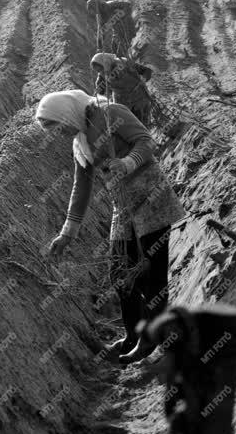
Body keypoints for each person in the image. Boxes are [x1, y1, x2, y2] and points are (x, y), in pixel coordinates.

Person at [36, 89, 185, 364]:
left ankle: (152, 336)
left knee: (151, 271)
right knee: (119, 271)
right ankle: (133, 333)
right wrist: (67, 232)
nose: (60, 134)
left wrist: (127, 163)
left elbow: (146, 141)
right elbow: (81, 187)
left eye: (59, 127)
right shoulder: (80, 141)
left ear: (66, 113)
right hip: (124, 205)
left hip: (150, 196)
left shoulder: (111, 113)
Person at [90, 52, 153, 126]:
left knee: (144, 124)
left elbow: (145, 71)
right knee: (132, 126)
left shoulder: (123, 63)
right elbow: (99, 93)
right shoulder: (102, 77)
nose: (101, 72)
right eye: (98, 71)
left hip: (140, 98)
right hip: (124, 105)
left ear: (106, 62)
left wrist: (143, 79)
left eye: (101, 68)